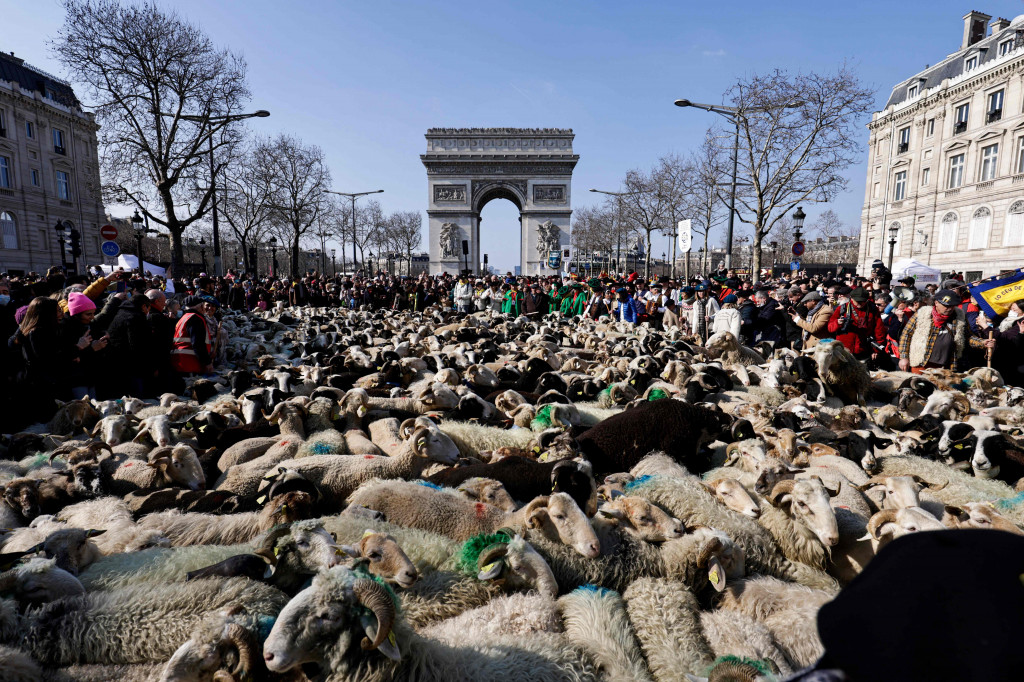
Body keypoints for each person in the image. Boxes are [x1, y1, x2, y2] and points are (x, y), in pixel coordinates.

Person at [897, 289, 970, 372]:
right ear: (936, 303)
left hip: (947, 366)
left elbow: (968, 336)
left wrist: (983, 342)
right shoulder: (922, 314)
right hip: (921, 364)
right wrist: (904, 357)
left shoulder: (959, 317)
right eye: (946, 306)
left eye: (952, 306)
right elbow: (906, 334)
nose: (949, 309)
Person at [61, 292, 108, 399]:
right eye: (88, 314)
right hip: (76, 379)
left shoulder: (89, 325)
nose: (92, 317)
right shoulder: (65, 329)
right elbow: (69, 357)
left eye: (93, 313)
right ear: (77, 314)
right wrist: (91, 349)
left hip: (90, 376)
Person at [106, 294, 154, 397]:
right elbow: (136, 344)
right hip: (131, 365)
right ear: (143, 307)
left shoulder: (120, 313)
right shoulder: (135, 318)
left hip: (115, 362)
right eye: (148, 308)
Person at [828, 287, 886, 361]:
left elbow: (879, 331)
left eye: (863, 301)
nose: (860, 303)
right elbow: (830, 328)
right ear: (851, 298)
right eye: (857, 301)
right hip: (843, 350)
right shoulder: (842, 308)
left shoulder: (873, 310)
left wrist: (876, 350)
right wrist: (837, 323)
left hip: (864, 350)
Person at [170, 295, 214, 378]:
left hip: (179, 362)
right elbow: (198, 343)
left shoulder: (183, 318)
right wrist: (207, 362)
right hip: (191, 364)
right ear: (201, 306)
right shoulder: (196, 319)